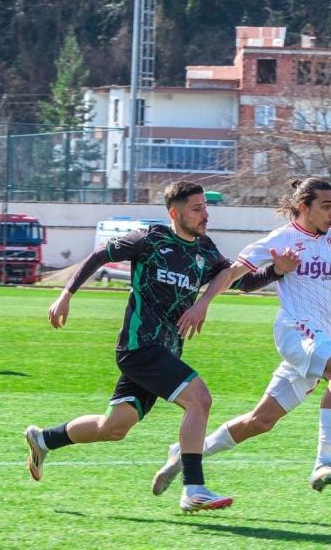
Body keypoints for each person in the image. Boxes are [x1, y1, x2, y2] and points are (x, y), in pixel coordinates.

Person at [151, 177, 331, 497]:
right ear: (304, 206)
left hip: (320, 339)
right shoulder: (282, 239)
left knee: (260, 421)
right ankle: (323, 462)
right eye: (326, 206)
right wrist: (203, 303)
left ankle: (185, 454)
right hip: (294, 330)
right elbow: (231, 273)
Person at [23, 181, 298, 512]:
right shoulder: (149, 240)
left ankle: (44, 439)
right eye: (196, 209)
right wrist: (66, 295)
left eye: (205, 208)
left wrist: (276, 271)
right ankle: (193, 488)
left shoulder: (206, 250)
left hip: (165, 352)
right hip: (140, 347)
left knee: (114, 427)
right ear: (174, 213)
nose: (205, 215)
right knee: (199, 399)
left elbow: (240, 281)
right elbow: (99, 256)